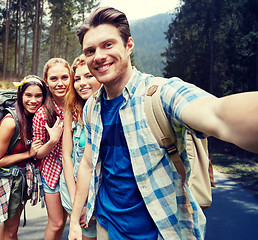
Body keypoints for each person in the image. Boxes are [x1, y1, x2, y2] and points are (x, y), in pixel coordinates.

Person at [68, 7, 258, 240]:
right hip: (107, 228)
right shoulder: (92, 107)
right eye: (90, 50)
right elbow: (88, 164)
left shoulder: (160, 94)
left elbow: (218, 113)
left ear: (129, 46)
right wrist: (75, 220)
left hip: (162, 231)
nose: (98, 56)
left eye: (108, 44)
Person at [0, 75, 46, 240]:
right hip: (10, 182)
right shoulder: (11, 122)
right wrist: (28, 154)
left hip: (21, 180)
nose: (33, 100)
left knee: (8, 227)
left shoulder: (33, 117)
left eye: (38, 96)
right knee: (12, 231)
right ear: (21, 96)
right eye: (28, 95)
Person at [60, 54, 101, 240]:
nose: (81, 83)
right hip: (73, 188)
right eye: (77, 79)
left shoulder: (108, 110)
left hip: (99, 195)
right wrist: (78, 202)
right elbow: (66, 156)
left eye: (88, 76)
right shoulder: (71, 109)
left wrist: (90, 204)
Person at [32, 58, 71, 240]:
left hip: (76, 171)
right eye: (54, 79)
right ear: (46, 82)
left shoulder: (79, 105)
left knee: (71, 220)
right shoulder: (42, 113)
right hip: (53, 173)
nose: (60, 83)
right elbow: (37, 153)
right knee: (56, 222)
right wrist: (52, 140)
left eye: (64, 77)